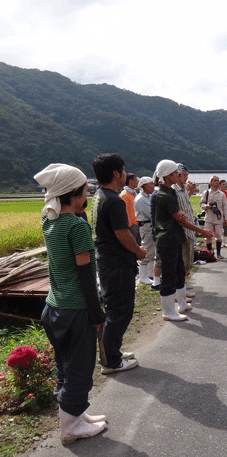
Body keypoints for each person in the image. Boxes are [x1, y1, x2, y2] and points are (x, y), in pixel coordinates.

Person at [34, 164, 108, 444]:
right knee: (80, 368)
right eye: (84, 189)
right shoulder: (76, 227)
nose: (87, 191)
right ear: (75, 192)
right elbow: (86, 275)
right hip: (76, 309)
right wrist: (96, 311)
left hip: (54, 306)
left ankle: (76, 416)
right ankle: (70, 428)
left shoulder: (48, 221)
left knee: (65, 365)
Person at [92, 154, 145, 374]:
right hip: (117, 264)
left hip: (108, 263)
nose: (125, 174)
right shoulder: (113, 200)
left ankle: (112, 352)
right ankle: (111, 361)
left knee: (116, 310)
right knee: (120, 312)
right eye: (123, 171)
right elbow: (123, 234)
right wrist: (139, 251)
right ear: (116, 173)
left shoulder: (99, 195)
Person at [154, 160, 213, 321]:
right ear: (167, 176)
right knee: (169, 275)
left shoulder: (170, 192)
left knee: (179, 271)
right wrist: (202, 231)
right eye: (175, 174)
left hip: (175, 238)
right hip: (167, 240)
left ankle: (181, 304)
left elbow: (180, 215)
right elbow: (181, 220)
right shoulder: (164, 195)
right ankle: (168, 312)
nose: (178, 176)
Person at [172, 164, 197, 299]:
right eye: (184, 175)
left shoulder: (183, 189)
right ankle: (178, 292)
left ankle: (182, 289)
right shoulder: (174, 190)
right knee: (182, 262)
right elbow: (177, 214)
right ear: (177, 175)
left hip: (190, 230)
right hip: (184, 232)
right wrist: (183, 233)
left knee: (188, 262)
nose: (186, 178)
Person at [200, 175, 227, 259]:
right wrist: (206, 206)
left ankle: (219, 253)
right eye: (215, 180)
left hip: (218, 219)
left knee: (219, 236)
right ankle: (210, 253)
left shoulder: (222, 194)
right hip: (209, 218)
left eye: (218, 180)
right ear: (211, 182)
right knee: (208, 236)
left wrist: (226, 218)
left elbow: (225, 206)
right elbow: (201, 204)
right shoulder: (206, 193)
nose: (217, 182)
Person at [134, 176, 155, 285]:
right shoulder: (141, 199)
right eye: (150, 184)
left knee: (151, 250)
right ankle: (143, 276)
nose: (153, 186)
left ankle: (149, 274)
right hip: (146, 226)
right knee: (147, 248)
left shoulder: (147, 197)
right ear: (144, 186)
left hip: (149, 226)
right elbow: (151, 213)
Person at [119, 173, 140, 245]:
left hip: (137, 223)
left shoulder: (134, 193)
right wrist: (131, 224)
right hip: (132, 225)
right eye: (136, 180)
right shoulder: (124, 195)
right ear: (130, 181)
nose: (137, 182)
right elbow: (125, 211)